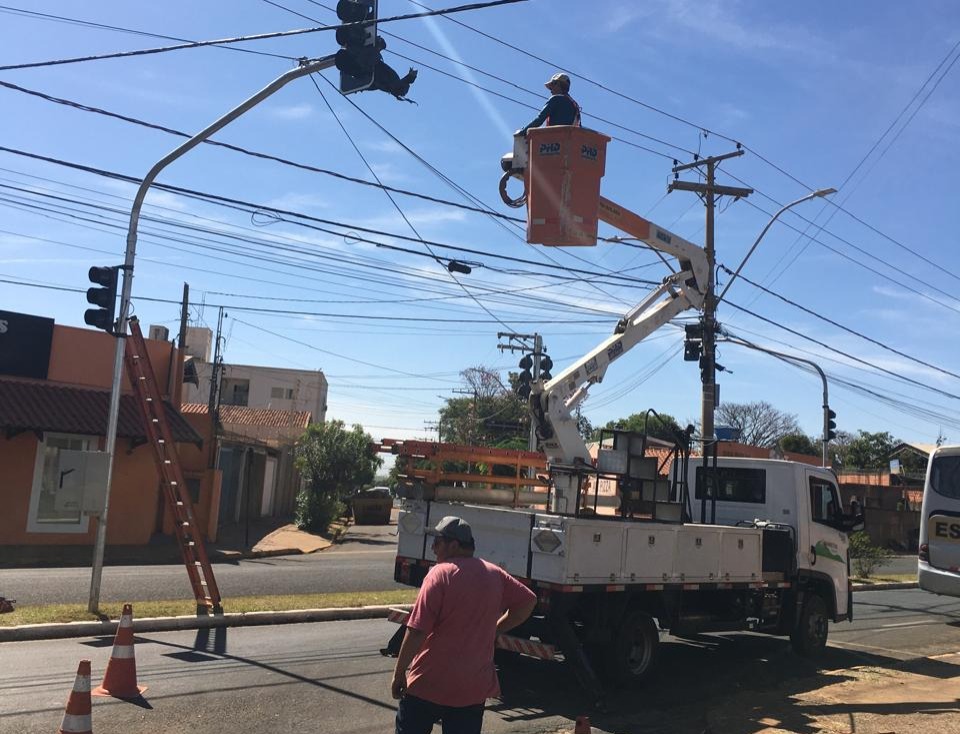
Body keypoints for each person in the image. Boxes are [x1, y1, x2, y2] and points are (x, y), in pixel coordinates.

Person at [391, 516, 537, 734]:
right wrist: (496, 629)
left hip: (429, 683)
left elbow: (417, 631)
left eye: (437, 542)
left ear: (453, 545)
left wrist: (399, 672)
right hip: (472, 689)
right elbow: (528, 601)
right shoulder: (494, 574)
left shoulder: (439, 574)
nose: (433, 548)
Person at [516, 72, 581, 135]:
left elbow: (539, 119)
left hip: (555, 140)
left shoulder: (555, 99)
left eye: (551, 86)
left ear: (557, 84)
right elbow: (579, 127)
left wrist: (522, 132)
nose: (550, 90)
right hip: (569, 141)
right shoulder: (574, 105)